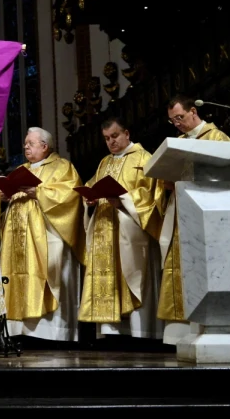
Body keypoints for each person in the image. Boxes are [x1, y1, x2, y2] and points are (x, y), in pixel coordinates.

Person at [77, 117, 163, 340]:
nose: (111, 142)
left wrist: (124, 199)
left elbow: (152, 196)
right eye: (106, 139)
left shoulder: (145, 158)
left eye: (114, 136)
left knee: (133, 278)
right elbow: (92, 186)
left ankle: (141, 333)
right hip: (104, 229)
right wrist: (90, 201)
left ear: (127, 133)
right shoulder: (104, 162)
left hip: (130, 232)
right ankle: (111, 333)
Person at [0, 128, 83, 341]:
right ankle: (19, 331)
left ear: (45, 146)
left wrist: (40, 193)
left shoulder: (63, 167)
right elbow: (7, 200)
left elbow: (70, 196)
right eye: (25, 143)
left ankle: (52, 334)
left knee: (48, 275)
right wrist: (3, 198)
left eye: (30, 143)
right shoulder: (19, 170)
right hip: (18, 236)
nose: (25, 146)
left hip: (47, 235)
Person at [158, 95, 230, 343]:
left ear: (193, 112)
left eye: (179, 117)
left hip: (206, 218)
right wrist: (164, 185)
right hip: (181, 216)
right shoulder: (176, 144)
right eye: (172, 121)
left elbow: (227, 173)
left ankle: (208, 327)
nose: (177, 124)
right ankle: (178, 334)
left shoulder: (216, 138)